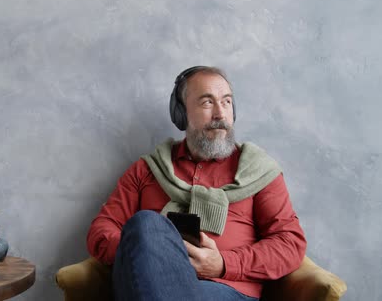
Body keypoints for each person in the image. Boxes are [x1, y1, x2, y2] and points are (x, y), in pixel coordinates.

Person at [86, 66, 307, 301]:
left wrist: (223, 264)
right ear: (181, 114)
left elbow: (289, 244)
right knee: (147, 224)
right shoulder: (147, 170)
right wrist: (152, 253)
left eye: (227, 102)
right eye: (207, 103)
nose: (220, 114)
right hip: (143, 284)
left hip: (225, 291)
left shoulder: (260, 172)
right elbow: (101, 231)